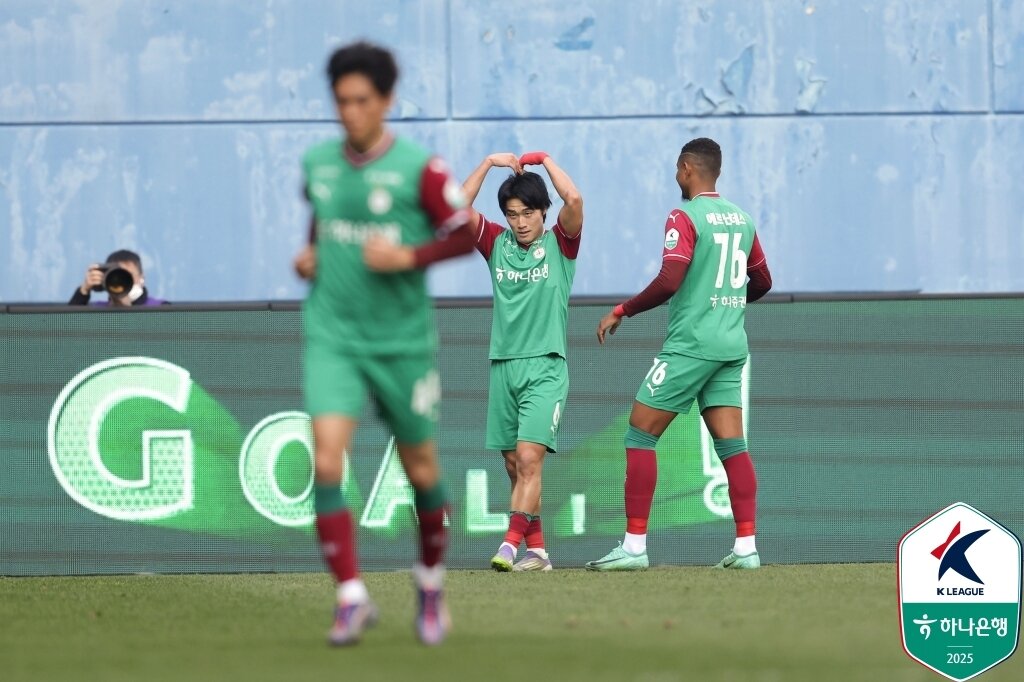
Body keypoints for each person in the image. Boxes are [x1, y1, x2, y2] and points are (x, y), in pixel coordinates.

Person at [292, 41, 476, 647]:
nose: (351, 112)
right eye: (342, 101)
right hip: (334, 336)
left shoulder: (421, 169)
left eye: (362, 101)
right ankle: (351, 596)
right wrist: (310, 256)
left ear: (387, 101)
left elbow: (464, 233)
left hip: (401, 343)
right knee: (326, 461)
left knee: (422, 471)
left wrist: (408, 256)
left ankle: (430, 583)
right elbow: (321, 223)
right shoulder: (318, 163)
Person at [584, 137, 772, 572]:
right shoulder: (742, 219)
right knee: (733, 447)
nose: (675, 176)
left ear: (687, 168)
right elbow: (762, 280)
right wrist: (726, 304)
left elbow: (670, 279)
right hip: (730, 347)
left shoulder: (684, 216)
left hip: (692, 346)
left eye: (676, 169)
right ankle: (746, 548)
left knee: (639, 434)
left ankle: (634, 548)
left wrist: (622, 310)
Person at [460, 151, 583, 572]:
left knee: (530, 460)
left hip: (545, 367)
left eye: (528, 212)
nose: (521, 222)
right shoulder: (496, 243)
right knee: (514, 466)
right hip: (503, 366)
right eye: (512, 214)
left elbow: (574, 199)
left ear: (543, 211)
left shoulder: (560, 244)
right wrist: (486, 164)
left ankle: (510, 546)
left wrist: (545, 160)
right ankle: (539, 552)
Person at [68, 250, 166, 306]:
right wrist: (84, 291)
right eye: (118, 276)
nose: (122, 281)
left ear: (142, 278)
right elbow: (66, 328)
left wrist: (128, 307)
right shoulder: (97, 310)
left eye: (128, 275)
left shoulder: (161, 308)